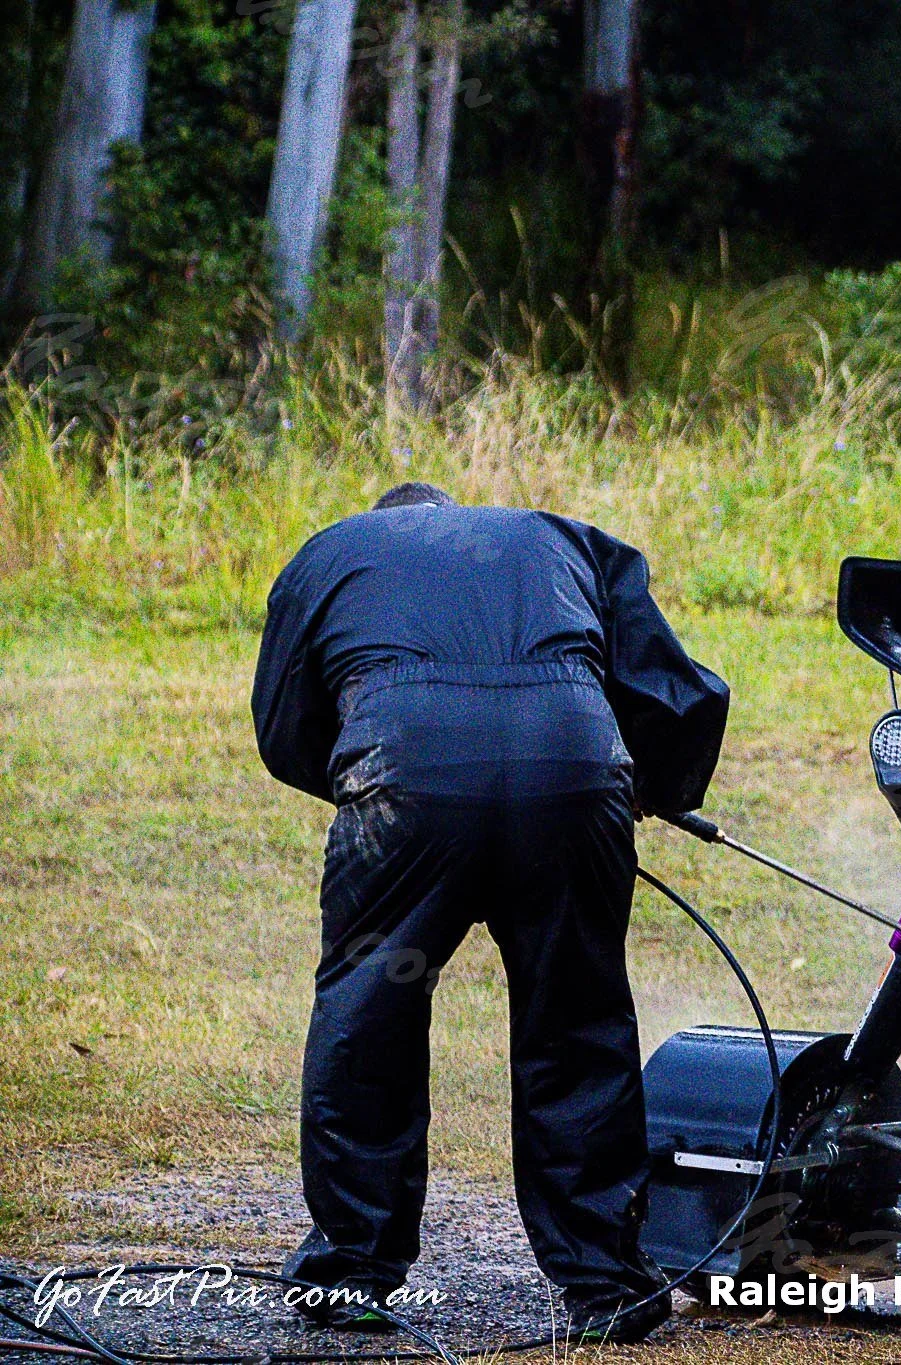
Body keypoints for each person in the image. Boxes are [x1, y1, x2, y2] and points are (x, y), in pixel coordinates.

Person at [250, 482, 728, 1343]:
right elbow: (674, 686)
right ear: (450, 512)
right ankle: (607, 1284)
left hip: (406, 781)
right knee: (576, 1017)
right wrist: (655, 788)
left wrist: (374, 777)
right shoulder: (561, 539)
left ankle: (354, 1269)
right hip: (572, 772)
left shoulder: (332, 548)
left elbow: (285, 726)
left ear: (392, 518)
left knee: (373, 1010)